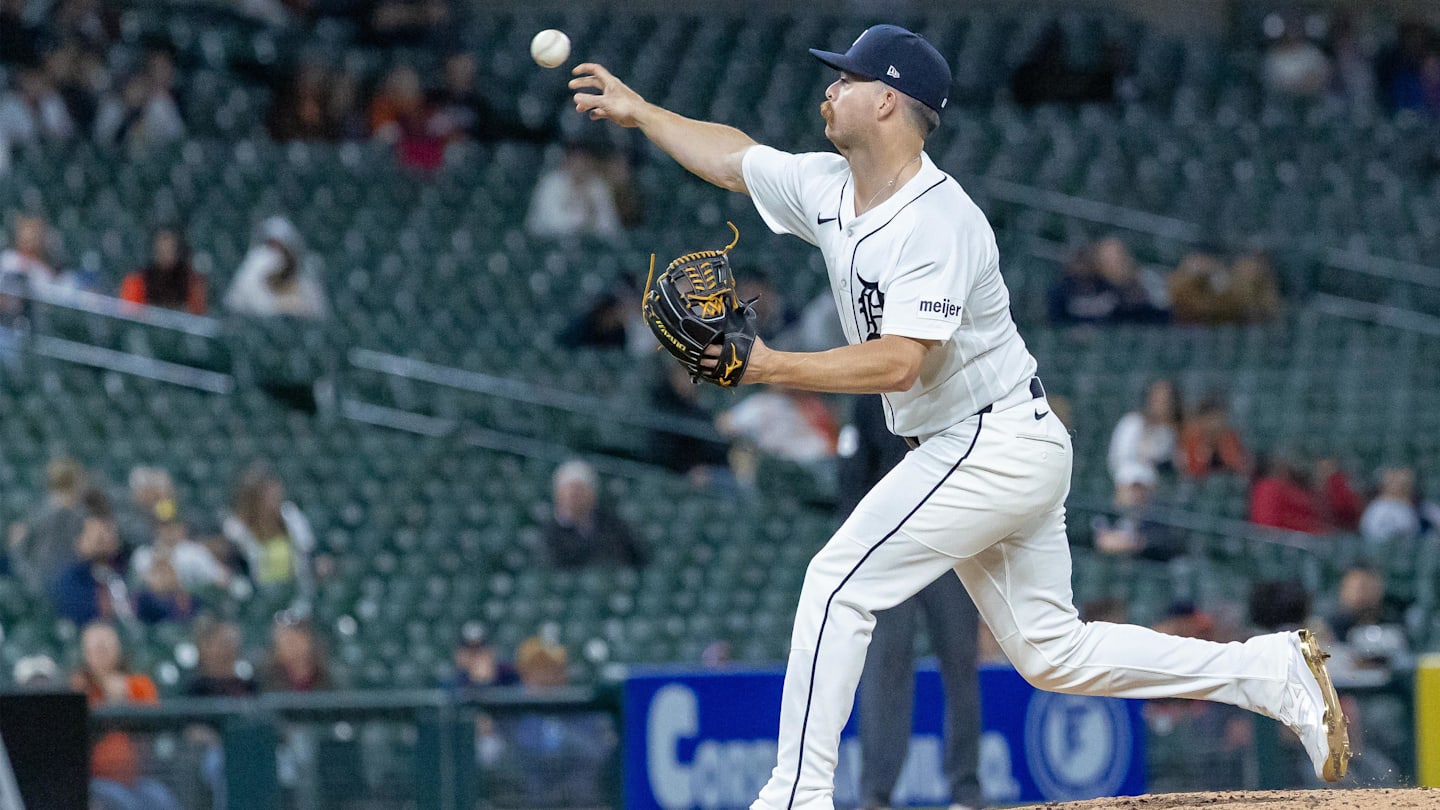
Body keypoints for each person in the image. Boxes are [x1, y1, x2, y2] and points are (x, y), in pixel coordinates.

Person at [570, 24, 1350, 807]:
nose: (831, 88)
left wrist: (770, 366)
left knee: (837, 584)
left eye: (847, 78)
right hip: (984, 440)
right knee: (1054, 654)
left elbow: (903, 361)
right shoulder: (830, 187)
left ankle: (796, 794)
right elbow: (735, 159)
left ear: (888, 101)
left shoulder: (937, 219)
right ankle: (1269, 672)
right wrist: (645, 113)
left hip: (990, 435)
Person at [843, 395, 980, 810]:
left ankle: (967, 791)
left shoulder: (953, 382)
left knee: (960, 664)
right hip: (888, 547)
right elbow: (852, 473)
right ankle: (876, 794)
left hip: (948, 542)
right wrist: (856, 550)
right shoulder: (871, 391)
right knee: (886, 667)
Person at [540, 460, 648, 569]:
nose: (572, 498)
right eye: (569, 492)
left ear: (592, 494)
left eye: (579, 492)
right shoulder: (548, 533)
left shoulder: (613, 525)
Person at [8, 456, 87, 596]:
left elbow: (17, 545)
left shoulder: (36, 511)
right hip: (58, 584)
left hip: (45, 581)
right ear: (75, 481)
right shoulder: (75, 515)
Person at [224, 216, 327, 319]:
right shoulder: (253, 268)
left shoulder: (304, 283)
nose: (274, 254)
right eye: (270, 246)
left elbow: (317, 312)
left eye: (280, 248)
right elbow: (248, 304)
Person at [1107, 379, 1181, 484]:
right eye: (1157, 399)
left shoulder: (1171, 434)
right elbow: (1117, 459)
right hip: (1127, 481)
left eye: (1166, 400)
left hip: (1155, 487)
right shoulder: (1131, 423)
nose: (1161, 405)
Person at [119, 228, 207, 314]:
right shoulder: (139, 280)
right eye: (162, 247)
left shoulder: (190, 282)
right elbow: (130, 313)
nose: (165, 252)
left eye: (171, 247)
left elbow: (196, 315)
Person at [1179, 395, 1250, 478]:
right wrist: (1205, 452)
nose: (1213, 424)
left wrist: (1222, 448)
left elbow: (1240, 467)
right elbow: (1190, 472)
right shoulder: (1192, 439)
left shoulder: (1229, 437)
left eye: (1217, 420)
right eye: (1210, 420)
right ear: (1202, 421)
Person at [262, 609, 331, 692]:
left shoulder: (328, 676)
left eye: (297, 637)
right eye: (285, 639)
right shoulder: (264, 679)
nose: (292, 645)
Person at [186, 620, 259, 697]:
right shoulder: (194, 692)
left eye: (232, 644)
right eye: (222, 644)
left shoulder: (248, 687)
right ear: (205, 649)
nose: (228, 651)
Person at [1360, 467, 1422, 545]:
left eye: (1405, 484)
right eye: (1393, 482)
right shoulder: (1378, 508)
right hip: (1383, 551)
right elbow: (1371, 533)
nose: (1400, 486)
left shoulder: (1421, 509)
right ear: (1384, 486)